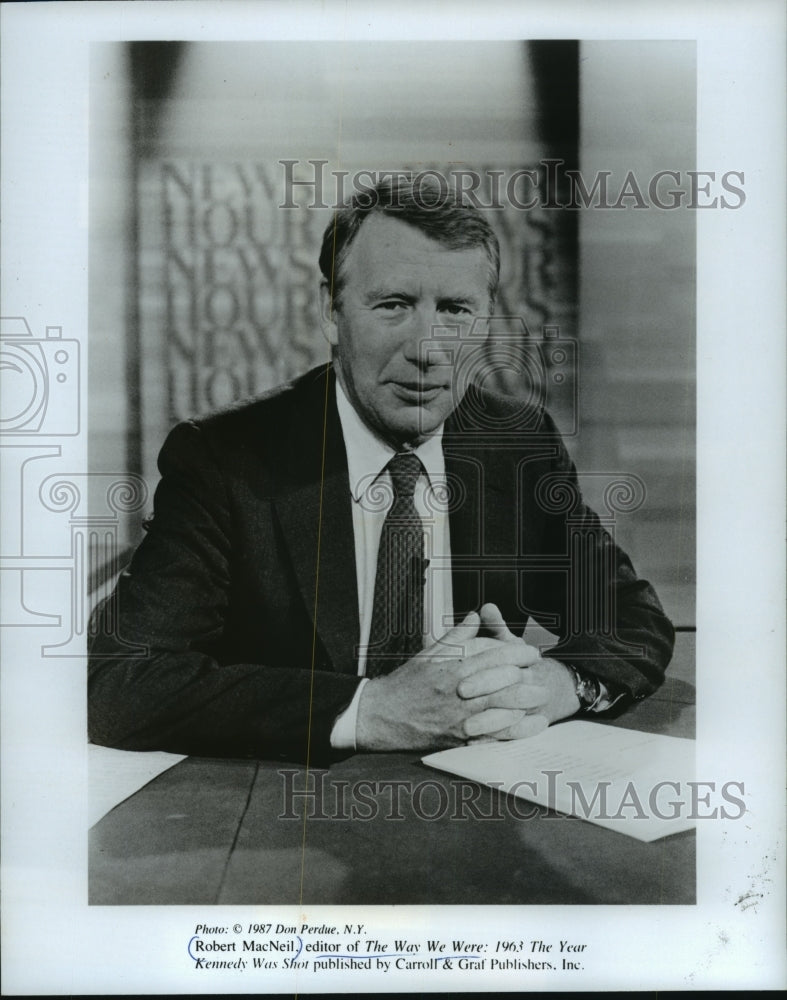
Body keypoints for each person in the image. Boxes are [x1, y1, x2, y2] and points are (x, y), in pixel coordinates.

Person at [88, 176, 674, 764]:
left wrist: (554, 686)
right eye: (393, 305)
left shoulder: (519, 445)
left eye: (455, 309)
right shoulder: (224, 459)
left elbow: (631, 617)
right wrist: (371, 709)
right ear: (331, 311)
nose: (428, 348)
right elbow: (119, 680)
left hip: (479, 786)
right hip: (286, 802)